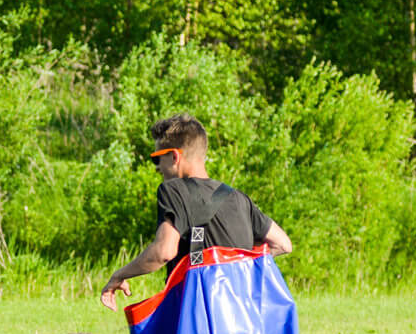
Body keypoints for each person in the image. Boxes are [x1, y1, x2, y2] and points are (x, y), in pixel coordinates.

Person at [100, 113, 292, 310]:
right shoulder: (237, 197)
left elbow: (164, 252)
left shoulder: (174, 190)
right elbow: (283, 244)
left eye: (157, 159)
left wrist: (119, 275)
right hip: (241, 317)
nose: (157, 168)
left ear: (174, 156)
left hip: (199, 319)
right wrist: (235, 268)